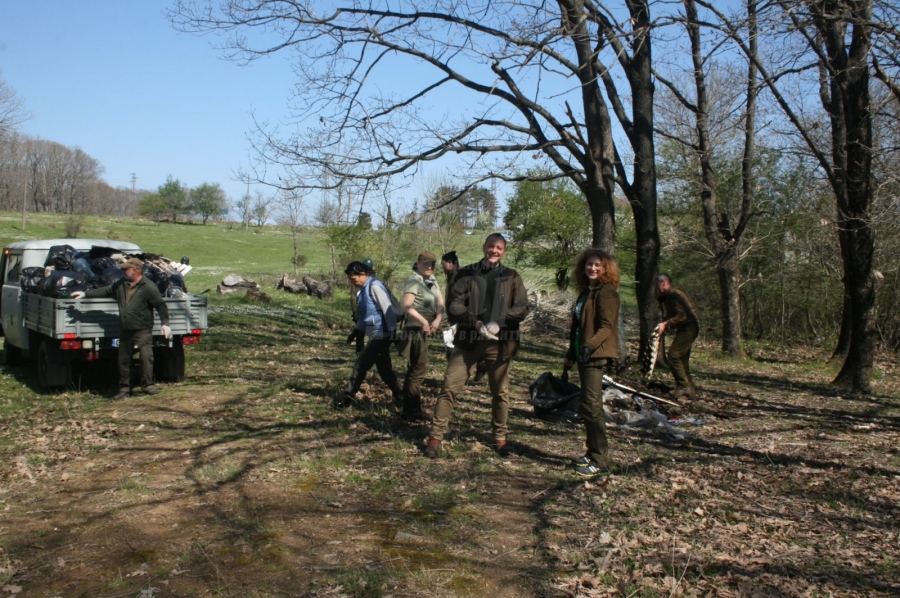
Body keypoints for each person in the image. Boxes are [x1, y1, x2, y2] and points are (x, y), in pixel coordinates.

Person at [426, 233, 529, 458]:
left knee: (500, 393)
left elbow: (522, 306)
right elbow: (455, 305)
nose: (494, 250)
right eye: (491, 246)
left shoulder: (512, 276)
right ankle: (435, 438)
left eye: (499, 248)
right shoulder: (467, 273)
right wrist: (477, 322)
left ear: (504, 251)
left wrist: (500, 321)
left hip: (499, 344)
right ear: (484, 247)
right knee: (449, 387)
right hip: (468, 341)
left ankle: (500, 439)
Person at [70, 257, 171, 399]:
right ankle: (124, 389)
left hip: (142, 328)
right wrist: (85, 294)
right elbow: (106, 290)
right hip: (125, 329)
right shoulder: (122, 284)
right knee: (123, 360)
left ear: (135, 271)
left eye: (126, 269)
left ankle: (147, 385)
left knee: (146, 357)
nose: (122, 271)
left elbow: (160, 305)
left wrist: (165, 324)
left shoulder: (148, 287)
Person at [563, 249, 620, 478]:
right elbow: (577, 327)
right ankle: (591, 452)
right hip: (583, 354)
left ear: (606, 268)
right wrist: (571, 353)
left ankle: (600, 459)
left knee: (592, 406)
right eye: (589, 264)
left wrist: (589, 346)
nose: (593, 268)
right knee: (588, 406)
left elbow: (606, 327)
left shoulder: (607, 293)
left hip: (595, 355)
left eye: (598, 265)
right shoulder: (587, 292)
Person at [338, 261, 404, 408]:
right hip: (376, 333)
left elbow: (388, 311)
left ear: (363, 275)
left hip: (382, 334)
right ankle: (401, 395)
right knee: (385, 369)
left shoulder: (375, 287)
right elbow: (366, 316)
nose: (352, 282)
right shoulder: (363, 289)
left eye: (353, 279)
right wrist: (356, 331)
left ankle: (346, 398)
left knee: (360, 365)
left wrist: (392, 334)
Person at [398, 251, 444, 421]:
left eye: (432, 264)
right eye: (426, 263)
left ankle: (409, 408)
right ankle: (411, 411)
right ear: (417, 264)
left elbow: (440, 302)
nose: (429, 267)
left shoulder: (431, 280)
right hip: (416, 327)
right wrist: (424, 322)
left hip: (428, 326)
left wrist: (438, 318)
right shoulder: (414, 280)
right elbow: (407, 306)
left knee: (417, 368)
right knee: (416, 370)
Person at [655, 273, 699, 399]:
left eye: (657, 286)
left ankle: (683, 386)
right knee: (682, 360)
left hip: (689, 328)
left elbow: (681, 316)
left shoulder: (674, 295)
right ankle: (691, 393)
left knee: (673, 355)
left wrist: (666, 323)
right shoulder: (668, 296)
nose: (656, 289)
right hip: (684, 328)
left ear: (664, 283)